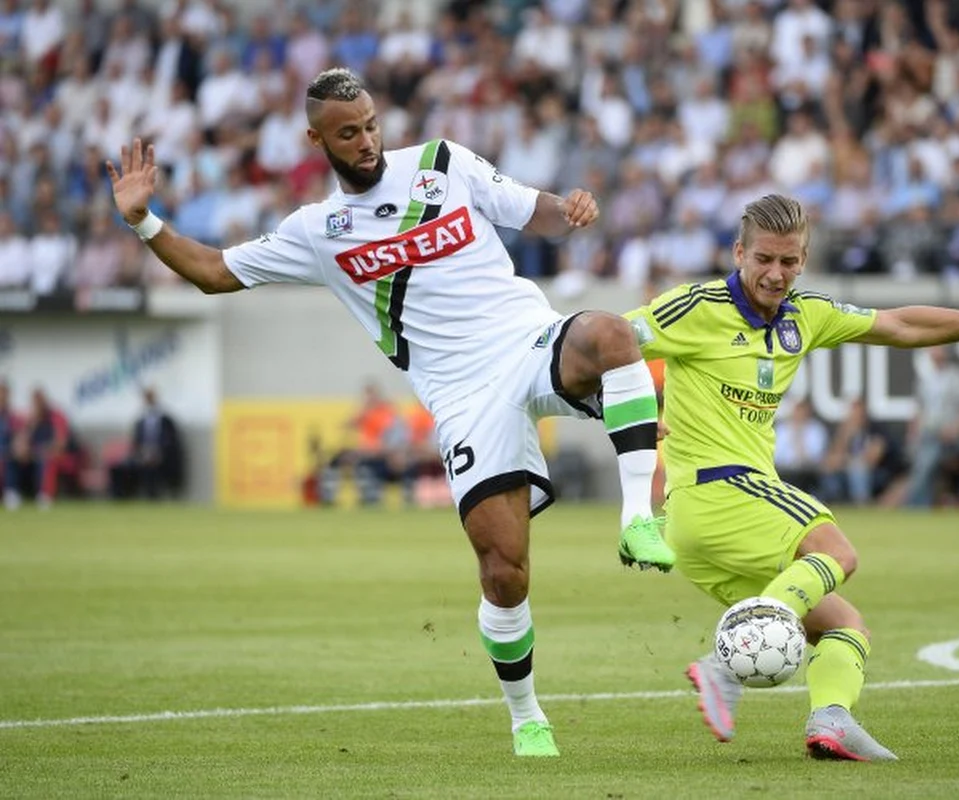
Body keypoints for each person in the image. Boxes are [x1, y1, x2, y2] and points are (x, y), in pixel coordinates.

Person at [106, 67, 673, 758]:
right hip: (463, 394)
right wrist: (143, 220)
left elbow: (535, 210)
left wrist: (572, 209)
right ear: (315, 139)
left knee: (612, 335)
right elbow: (215, 272)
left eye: (371, 124)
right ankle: (527, 716)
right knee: (503, 570)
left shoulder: (442, 164)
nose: (367, 141)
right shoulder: (318, 231)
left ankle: (638, 517)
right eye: (349, 133)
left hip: (526, 338)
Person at [624, 194, 959, 761]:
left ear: (805, 259)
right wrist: (620, 419)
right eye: (765, 259)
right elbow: (607, 343)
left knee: (845, 623)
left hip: (708, 528)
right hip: (717, 489)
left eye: (790, 262)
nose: (776, 274)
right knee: (836, 551)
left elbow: (899, 324)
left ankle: (831, 721)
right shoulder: (694, 306)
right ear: (739, 251)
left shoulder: (806, 314)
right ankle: (726, 663)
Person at [904, 345, 959, 507]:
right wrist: (912, 434)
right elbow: (918, 410)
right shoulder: (925, 378)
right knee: (922, 460)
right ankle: (920, 503)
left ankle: (915, 506)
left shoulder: (956, 376)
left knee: (926, 460)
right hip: (926, 434)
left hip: (948, 435)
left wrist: (957, 430)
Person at [4, 387, 69, 510]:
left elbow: (60, 443)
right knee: (12, 458)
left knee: (45, 461)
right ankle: (12, 493)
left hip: (49, 454)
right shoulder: (30, 418)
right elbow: (21, 439)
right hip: (33, 454)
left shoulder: (56, 417)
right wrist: (22, 449)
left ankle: (44, 495)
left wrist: (43, 450)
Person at [127, 387, 184, 499]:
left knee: (164, 464)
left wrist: (159, 452)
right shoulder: (141, 421)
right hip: (144, 455)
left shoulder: (166, 420)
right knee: (136, 465)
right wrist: (143, 453)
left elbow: (171, 440)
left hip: (163, 455)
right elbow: (136, 441)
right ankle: (147, 495)